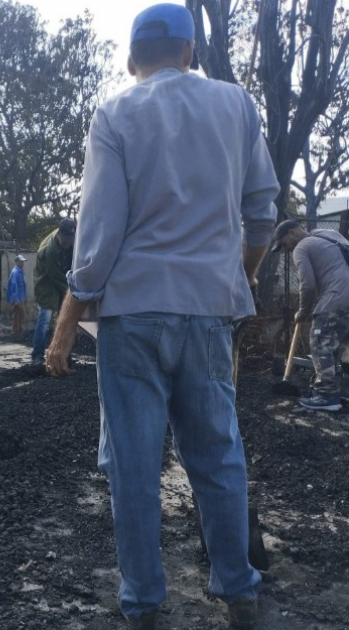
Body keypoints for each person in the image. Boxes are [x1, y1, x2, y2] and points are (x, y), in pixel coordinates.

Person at [45, 5, 278, 629]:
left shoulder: (116, 114)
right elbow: (261, 216)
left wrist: (67, 321)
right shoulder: (236, 107)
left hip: (133, 315)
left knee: (134, 464)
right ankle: (240, 593)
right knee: (218, 456)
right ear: (190, 53)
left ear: (130, 61)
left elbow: (97, 236)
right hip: (207, 311)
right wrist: (242, 276)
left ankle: (145, 606)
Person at [270, 220, 349, 411]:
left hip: (338, 298)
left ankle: (325, 396)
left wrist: (303, 312)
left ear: (291, 233)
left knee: (320, 342)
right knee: (337, 348)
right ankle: (341, 393)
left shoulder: (302, 247)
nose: (286, 250)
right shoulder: (328, 235)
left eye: (284, 244)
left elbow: (307, 285)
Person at [31, 218, 76, 367]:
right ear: (59, 234)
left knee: (65, 320)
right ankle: (37, 356)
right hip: (46, 283)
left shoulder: (72, 242)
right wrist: (72, 294)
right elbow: (54, 276)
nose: (67, 242)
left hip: (62, 280)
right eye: (65, 239)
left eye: (70, 239)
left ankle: (65, 355)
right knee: (45, 319)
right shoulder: (49, 250)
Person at [7, 254, 27, 334]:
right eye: (21, 262)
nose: (22, 263)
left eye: (23, 262)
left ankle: (19, 330)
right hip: (17, 298)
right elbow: (14, 287)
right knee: (17, 314)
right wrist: (16, 299)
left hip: (21, 297)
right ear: (17, 262)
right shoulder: (15, 272)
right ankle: (15, 330)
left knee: (21, 314)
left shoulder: (20, 271)